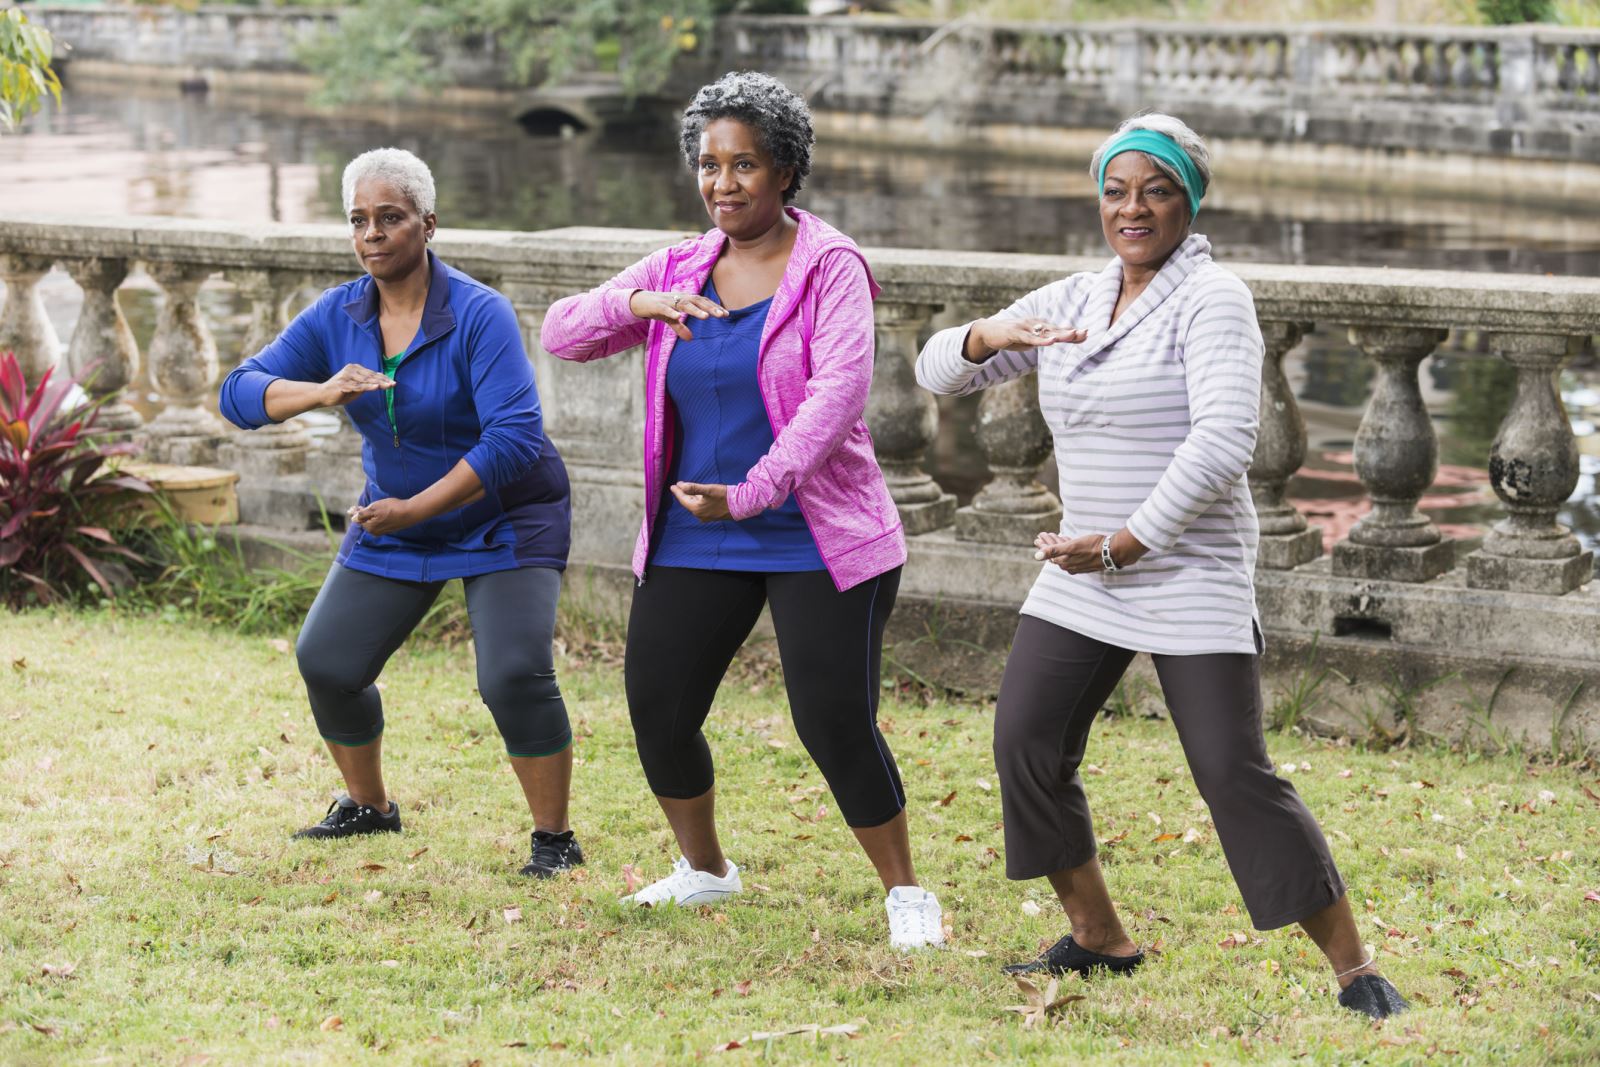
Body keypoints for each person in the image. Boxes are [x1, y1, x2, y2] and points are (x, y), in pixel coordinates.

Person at [915, 113, 1409, 1017]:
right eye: (1115, 190)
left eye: (1156, 190)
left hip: (1185, 567)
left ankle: (1354, 967)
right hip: (1082, 571)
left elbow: (1224, 441)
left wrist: (1126, 542)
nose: (1131, 208)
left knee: (1231, 770)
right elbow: (934, 372)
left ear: (1190, 200)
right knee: (1026, 740)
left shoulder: (1213, 298)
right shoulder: (1075, 298)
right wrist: (987, 334)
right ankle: (1099, 936)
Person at [540, 72, 942, 950]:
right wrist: (636, 302)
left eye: (745, 165)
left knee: (832, 719)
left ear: (787, 170)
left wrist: (754, 492)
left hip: (817, 531)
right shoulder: (679, 266)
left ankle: (906, 891)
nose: (723, 183)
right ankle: (706, 868)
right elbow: (561, 331)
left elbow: (837, 397)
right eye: (709, 165)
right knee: (658, 705)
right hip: (695, 528)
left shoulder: (831, 267)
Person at [219, 148, 583, 879]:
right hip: (396, 519)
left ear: (428, 224)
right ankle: (370, 806)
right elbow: (238, 393)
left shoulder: (479, 312)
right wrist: (321, 391)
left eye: (390, 217)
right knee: (327, 661)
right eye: (359, 220)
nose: (372, 234)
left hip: (505, 516)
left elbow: (514, 438)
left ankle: (555, 839)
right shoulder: (339, 314)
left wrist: (415, 508)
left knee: (512, 674)